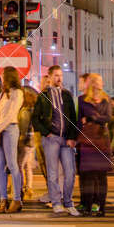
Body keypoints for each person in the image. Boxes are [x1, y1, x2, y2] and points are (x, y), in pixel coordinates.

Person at [34, 65, 81, 216]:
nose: (59, 78)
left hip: (66, 139)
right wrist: (46, 132)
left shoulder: (67, 95)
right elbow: (35, 119)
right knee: (53, 173)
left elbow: (73, 118)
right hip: (51, 139)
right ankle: (56, 202)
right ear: (49, 77)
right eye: (56, 75)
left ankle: (68, 202)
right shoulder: (43, 96)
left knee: (70, 172)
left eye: (60, 75)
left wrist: (73, 137)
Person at [77, 73, 114, 216]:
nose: (100, 83)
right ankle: (87, 205)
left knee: (102, 175)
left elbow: (108, 118)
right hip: (87, 140)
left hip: (102, 139)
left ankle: (101, 206)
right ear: (92, 83)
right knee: (88, 175)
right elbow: (79, 121)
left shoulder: (106, 100)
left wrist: (93, 118)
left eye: (101, 81)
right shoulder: (82, 100)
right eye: (97, 81)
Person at [0, 66, 25, 212]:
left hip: (10, 129)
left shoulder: (18, 93)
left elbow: (11, 116)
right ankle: (3, 199)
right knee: (0, 166)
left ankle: (17, 199)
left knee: (12, 165)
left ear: (9, 76)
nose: (1, 77)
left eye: (3, 75)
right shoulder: (3, 93)